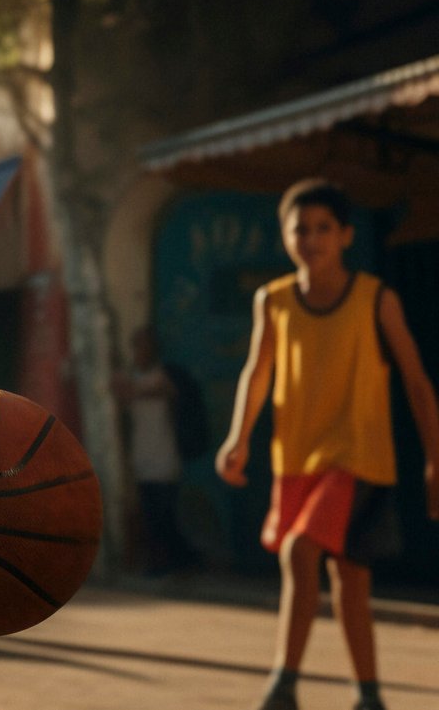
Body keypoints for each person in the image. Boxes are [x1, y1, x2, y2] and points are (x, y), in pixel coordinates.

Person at [216, 178, 439, 710]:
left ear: (344, 235)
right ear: (285, 236)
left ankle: (282, 686)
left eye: (323, 228)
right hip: (297, 459)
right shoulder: (271, 301)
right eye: (300, 228)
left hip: (359, 459)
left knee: (299, 550)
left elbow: (416, 381)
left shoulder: (375, 299)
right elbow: (257, 373)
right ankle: (369, 695)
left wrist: (435, 458)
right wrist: (238, 438)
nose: (311, 238)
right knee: (351, 582)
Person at [115, 326, 198, 575]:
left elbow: (154, 390)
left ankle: (173, 561)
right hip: (142, 458)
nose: (140, 351)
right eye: (137, 345)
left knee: (164, 515)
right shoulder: (132, 379)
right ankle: (163, 562)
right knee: (150, 515)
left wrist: (128, 388)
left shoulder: (164, 376)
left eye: (145, 345)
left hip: (165, 457)